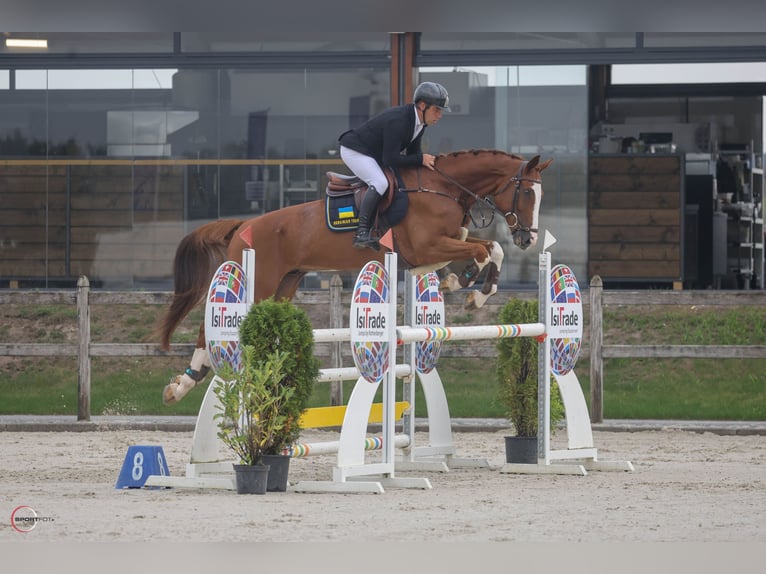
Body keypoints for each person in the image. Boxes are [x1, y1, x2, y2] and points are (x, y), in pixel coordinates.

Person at [338, 81, 451, 250]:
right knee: (380, 182)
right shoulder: (398, 121)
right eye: (437, 110)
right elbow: (391, 159)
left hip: (373, 154)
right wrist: (420, 160)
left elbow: (412, 155)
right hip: (354, 151)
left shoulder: (420, 124)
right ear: (422, 106)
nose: (439, 115)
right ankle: (361, 233)